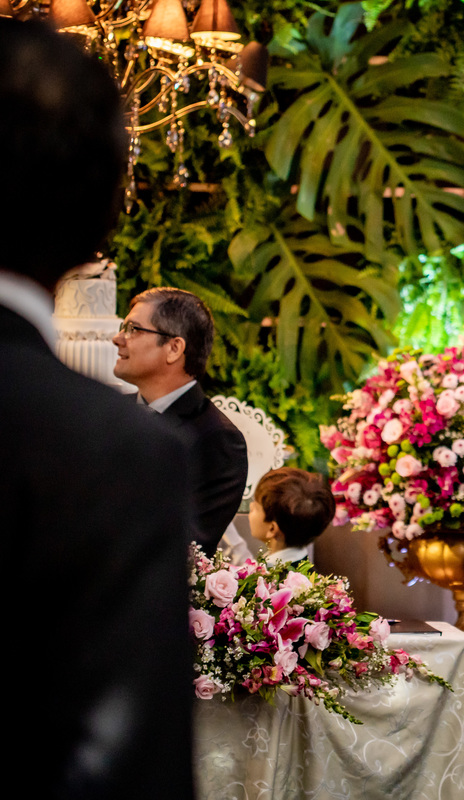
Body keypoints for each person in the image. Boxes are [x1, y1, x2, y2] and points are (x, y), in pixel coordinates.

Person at [1, 19, 195, 799]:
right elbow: (125, 766)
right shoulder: (108, 450)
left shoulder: (151, 441)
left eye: (135, 329)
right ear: (101, 217)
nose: (119, 336)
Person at [113, 286, 248, 553]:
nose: (117, 338)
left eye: (133, 329)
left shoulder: (217, 438)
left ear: (174, 348)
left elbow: (184, 545)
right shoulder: (112, 413)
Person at [247, 467, 337, 565]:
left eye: (255, 508)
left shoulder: (271, 574)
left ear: (272, 529)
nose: (251, 506)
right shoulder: (303, 569)